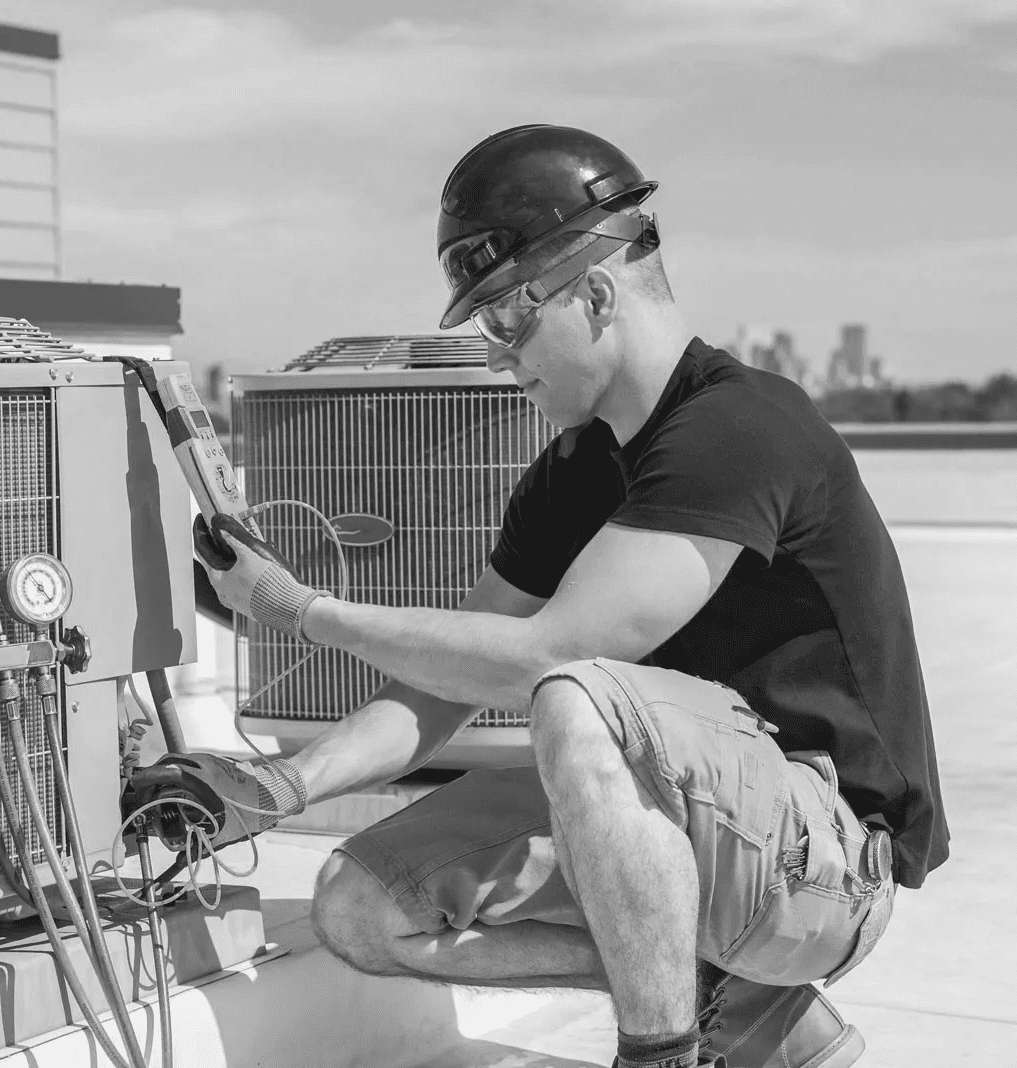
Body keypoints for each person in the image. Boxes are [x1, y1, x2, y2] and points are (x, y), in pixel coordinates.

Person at [126, 124, 948, 1068]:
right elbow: (450, 678)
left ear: (594, 293)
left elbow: (549, 654)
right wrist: (280, 784)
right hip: (701, 833)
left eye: (507, 319)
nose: (496, 355)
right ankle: (759, 1019)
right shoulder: (573, 471)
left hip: (829, 863)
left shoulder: (739, 428)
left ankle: (662, 1053)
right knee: (362, 906)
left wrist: (303, 610)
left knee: (576, 700)